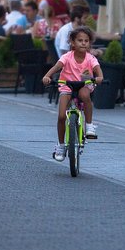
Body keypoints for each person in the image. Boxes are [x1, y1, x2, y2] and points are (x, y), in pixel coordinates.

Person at [43, 25, 104, 155]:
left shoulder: (90, 58)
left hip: (84, 84)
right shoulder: (67, 57)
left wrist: (99, 78)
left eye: (86, 41)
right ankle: (60, 145)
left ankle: (89, 125)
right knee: (61, 116)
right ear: (72, 42)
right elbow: (56, 67)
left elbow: (98, 71)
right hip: (67, 85)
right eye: (80, 40)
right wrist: (47, 76)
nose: (83, 43)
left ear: (89, 43)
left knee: (85, 95)